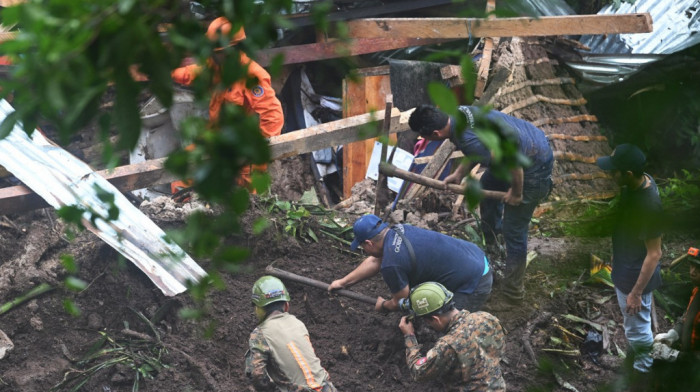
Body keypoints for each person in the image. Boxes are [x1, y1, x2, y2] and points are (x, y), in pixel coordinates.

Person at [408, 104, 553, 304]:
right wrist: (459, 173)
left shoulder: (467, 137)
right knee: (487, 188)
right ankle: (494, 249)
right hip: (521, 148)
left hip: (533, 163)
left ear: (435, 133)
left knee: (515, 230)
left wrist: (517, 193)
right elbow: (478, 148)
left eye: (426, 138)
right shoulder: (459, 114)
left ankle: (513, 293)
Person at [171, 16, 284, 191]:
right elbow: (194, 72)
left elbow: (273, 115)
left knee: (248, 196)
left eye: (217, 52)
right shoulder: (215, 66)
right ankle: (180, 213)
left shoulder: (252, 75)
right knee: (183, 173)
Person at [328, 214, 492, 313]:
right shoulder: (398, 230)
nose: (365, 251)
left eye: (362, 246)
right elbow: (375, 260)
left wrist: (383, 305)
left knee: (450, 326)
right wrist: (343, 282)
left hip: (475, 281)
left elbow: (401, 302)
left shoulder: (392, 264)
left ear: (369, 243)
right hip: (475, 256)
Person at [596, 144, 663, 376]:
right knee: (634, 325)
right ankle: (639, 362)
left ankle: (642, 373)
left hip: (635, 277)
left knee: (638, 329)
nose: (609, 174)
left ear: (628, 174)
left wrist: (636, 293)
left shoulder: (648, 206)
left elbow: (655, 254)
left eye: (614, 171)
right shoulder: (635, 184)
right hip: (625, 267)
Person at [397, 281, 506, 391]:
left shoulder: (448, 345)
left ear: (436, 319)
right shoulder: (486, 317)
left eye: (427, 322)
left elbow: (418, 372)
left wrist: (409, 337)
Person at [244, 275, 337, 391]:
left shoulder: (260, 333)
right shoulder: (298, 323)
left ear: (258, 308)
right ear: (287, 305)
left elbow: (257, 376)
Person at [649, 246, 700, 390]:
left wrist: (678, 357)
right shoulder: (697, 290)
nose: (692, 272)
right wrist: (673, 334)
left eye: (698, 269)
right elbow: (688, 317)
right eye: (692, 266)